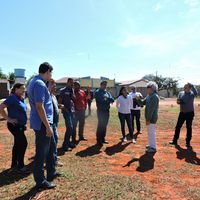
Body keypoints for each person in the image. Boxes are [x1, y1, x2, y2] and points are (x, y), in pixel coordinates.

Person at [28, 62, 60, 190]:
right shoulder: (39, 83)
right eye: (51, 72)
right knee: (41, 153)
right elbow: (39, 106)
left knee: (51, 147)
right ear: (47, 71)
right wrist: (47, 127)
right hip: (43, 124)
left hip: (46, 123)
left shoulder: (37, 82)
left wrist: (50, 86)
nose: (51, 75)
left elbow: (44, 98)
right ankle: (40, 181)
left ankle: (51, 172)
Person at [0, 83, 28, 173]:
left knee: (17, 144)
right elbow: (1, 107)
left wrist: (23, 124)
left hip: (20, 125)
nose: (24, 90)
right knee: (23, 143)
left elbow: (21, 112)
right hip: (14, 125)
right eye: (22, 89)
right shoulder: (12, 98)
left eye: (24, 89)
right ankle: (20, 167)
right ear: (16, 89)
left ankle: (14, 165)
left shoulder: (21, 98)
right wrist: (9, 119)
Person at [169, 83, 198, 147]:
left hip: (190, 113)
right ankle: (175, 140)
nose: (185, 88)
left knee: (188, 127)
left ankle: (188, 142)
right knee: (178, 126)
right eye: (184, 87)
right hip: (182, 113)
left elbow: (196, 93)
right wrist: (181, 101)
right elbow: (178, 101)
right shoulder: (181, 93)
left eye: (186, 87)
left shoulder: (192, 94)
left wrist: (192, 85)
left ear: (190, 88)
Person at [137, 81, 159, 153]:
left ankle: (153, 147)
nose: (147, 89)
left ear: (153, 88)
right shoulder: (149, 95)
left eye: (148, 88)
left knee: (152, 132)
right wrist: (138, 99)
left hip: (152, 118)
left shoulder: (154, 96)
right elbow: (142, 103)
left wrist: (148, 119)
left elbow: (151, 110)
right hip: (149, 117)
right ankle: (151, 145)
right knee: (150, 132)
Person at [48, 79, 63, 167]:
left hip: (55, 121)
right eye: (53, 85)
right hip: (51, 122)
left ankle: (54, 156)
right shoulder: (47, 95)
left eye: (55, 85)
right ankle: (53, 159)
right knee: (53, 142)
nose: (55, 87)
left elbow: (54, 106)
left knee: (55, 139)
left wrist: (59, 106)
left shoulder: (53, 96)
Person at [95, 80, 115, 145]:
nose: (105, 86)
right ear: (101, 85)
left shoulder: (107, 93)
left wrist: (107, 99)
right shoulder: (98, 92)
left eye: (106, 85)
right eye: (104, 84)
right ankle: (99, 140)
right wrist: (107, 99)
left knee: (105, 125)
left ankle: (103, 139)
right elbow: (100, 100)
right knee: (100, 125)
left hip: (106, 111)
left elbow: (112, 100)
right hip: (101, 111)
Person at [58, 78, 76, 151]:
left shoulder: (72, 90)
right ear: (67, 82)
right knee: (70, 127)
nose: (72, 84)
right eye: (71, 82)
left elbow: (74, 99)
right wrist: (63, 108)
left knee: (71, 128)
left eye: (73, 83)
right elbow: (60, 101)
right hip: (66, 111)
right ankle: (65, 145)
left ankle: (68, 143)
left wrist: (73, 92)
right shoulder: (63, 90)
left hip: (72, 111)